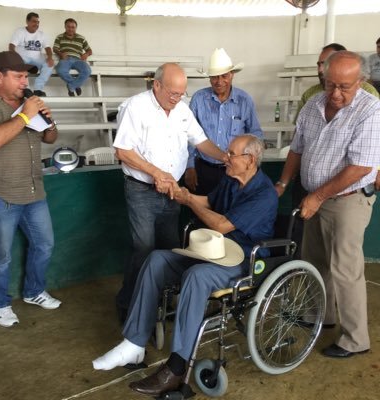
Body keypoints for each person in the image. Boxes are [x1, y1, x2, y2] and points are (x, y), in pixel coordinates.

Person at [93, 134, 278, 397]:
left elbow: (221, 225)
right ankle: (133, 343)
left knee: (196, 276)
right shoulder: (230, 180)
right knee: (157, 258)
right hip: (215, 251)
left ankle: (178, 367)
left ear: (250, 160)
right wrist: (184, 194)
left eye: (231, 154)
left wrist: (190, 201)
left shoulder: (264, 193)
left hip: (244, 261)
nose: (226, 157)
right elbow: (208, 202)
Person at [276, 51, 380, 358]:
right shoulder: (313, 104)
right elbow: (296, 148)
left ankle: (355, 339)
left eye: (344, 87)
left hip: (346, 201)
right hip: (315, 198)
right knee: (315, 261)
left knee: (346, 269)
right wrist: (283, 182)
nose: (335, 94)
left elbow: (361, 167)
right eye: (330, 84)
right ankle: (321, 315)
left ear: (360, 82)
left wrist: (318, 196)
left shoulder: (370, 110)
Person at [113, 63, 227, 322]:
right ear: (156, 85)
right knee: (144, 249)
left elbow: (201, 141)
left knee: (170, 248)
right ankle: (129, 304)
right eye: (173, 93)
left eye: (181, 93)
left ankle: (162, 304)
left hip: (172, 190)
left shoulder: (182, 110)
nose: (177, 99)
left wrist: (225, 157)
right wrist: (156, 173)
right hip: (142, 190)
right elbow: (123, 151)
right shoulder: (136, 107)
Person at [0, 51, 61, 328]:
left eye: (26, 76)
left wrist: (49, 119)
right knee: (0, 256)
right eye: (18, 76)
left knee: (45, 244)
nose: (24, 81)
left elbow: (51, 138)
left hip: (33, 190)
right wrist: (26, 117)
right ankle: (0, 303)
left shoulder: (28, 101)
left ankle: (34, 291)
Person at [186, 48, 263, 195]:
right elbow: (188, 136)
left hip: (235, 171)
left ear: (232, 75)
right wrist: (190, 167)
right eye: (215, 77)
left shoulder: (244, 100)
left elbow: (255, 134)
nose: (219, 81)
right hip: (204, 169)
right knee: (203, 212)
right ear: (209, 78)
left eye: (224, 76)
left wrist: (250, 167)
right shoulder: (198, 99)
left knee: (231, 214)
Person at [9, 12, 54, 97]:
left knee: (49, 64)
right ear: (27, 21)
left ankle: (38, 89)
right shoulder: (20, 31)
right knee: (19, 64)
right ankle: (26, 89)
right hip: (23, 58)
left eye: (38, 22)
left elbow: (47, 48)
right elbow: (11, 45)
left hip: (37, 58)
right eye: (34, 21)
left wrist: (50, 57)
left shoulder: (41, 34)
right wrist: (14, 56)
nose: (36, 24)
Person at [53, 18, 92, 97]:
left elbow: (89, 50)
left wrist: (86, 54)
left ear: (75, 28)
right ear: (65, 27)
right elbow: (55, 49)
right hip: (66, 59)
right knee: (60, 70)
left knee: (87, 71)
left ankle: (71, 86)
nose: (71, 29)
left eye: (73, 27)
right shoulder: (59, 37)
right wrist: (61, 54)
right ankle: (76, 85)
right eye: (68, 27)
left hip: (78, 60)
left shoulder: (81, 38)